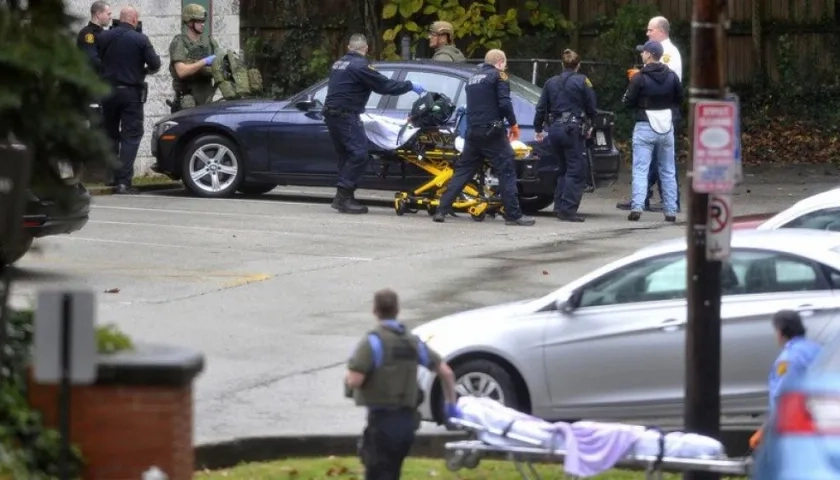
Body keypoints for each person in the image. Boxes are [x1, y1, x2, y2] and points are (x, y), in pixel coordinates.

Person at [345, 288, 460, 480]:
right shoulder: (412, 342)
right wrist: (451, 406)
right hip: (407, 424)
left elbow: (355, 380)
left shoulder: (373, 341)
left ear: (374, 310)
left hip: (382, 422)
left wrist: (350, 376)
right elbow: (446, 372)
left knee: (378, 472)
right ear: (397, 310)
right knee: (392, 471)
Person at [433, 49, 535, 226]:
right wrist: (513, 124)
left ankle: (441, 209)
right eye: (505, 63)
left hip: (473, 132)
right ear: (500, 62)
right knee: (507, 169)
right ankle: (513, 215)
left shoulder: (472, 79)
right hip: (492, 133)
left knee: (463, 171)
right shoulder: (499, 76)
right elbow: (504, 103)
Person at [323, 34, 423, 214]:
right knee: (359, 154)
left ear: (348, 48)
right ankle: (343, 197)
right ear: (366, 49)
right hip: (346, 115)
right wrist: (410, 86)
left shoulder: (339, 64)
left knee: (346, 155)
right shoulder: (360, 66)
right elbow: (384, 86)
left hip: (333, 115)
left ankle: (346, 196)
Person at [617, 15, 684, 213]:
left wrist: (639, 79)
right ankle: (653, 199)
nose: (647, 33)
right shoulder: (664, 55)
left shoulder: (669, 53)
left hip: (659, 112)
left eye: (650, 30)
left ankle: (656, 200)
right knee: (661, 161)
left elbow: (662, 81)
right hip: (663, 111)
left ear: (661, 31)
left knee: (658, 162)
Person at [97, 6, 161, 195]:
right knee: (131, 136)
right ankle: (123, 182)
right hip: (131, 94)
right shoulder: (140, 39)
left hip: (107, 92)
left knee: (110, 134)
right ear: (134, 20)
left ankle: (110, 177)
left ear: (120, 18)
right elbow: (155, 64)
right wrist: (142, 71)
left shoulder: (104, 37)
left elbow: (96, 60)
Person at [533, 49, 598, 223]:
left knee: (562, 169)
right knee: (576, 170)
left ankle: (559, 206)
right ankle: (568, 210)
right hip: (572, 129)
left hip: (554, 129)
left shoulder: (550, 82)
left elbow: (541, 107)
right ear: (578, 65)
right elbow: (591, 106)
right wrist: (592, 124)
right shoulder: (583, 81)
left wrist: (538, 128)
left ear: (562, 64)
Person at [749, 309, 822, 450]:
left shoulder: (788, 359)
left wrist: (765, 430)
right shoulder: (817, 349)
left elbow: (783, 400)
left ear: (780, 332)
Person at [169, 4, 220, 110]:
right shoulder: (180, 42)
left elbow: (221, 61)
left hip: (206, 100)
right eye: (199, 21)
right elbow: (181, 71)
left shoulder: (209, 42)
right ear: (189, 22)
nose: (203, 25)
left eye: (203, 21)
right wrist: (205, 61)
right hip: (187, 101)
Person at [76, 1, 112, 76]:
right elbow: (92, 58)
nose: (110, 17)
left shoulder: (103, 33)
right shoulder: (87, 34)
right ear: (98, 14)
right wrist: (110, 68)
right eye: (108, 14)